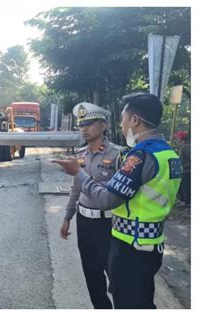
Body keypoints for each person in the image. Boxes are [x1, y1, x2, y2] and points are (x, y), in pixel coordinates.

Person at [52, 92, 182, 309]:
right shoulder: (168, 154)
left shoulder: (137, 156)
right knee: (137, 300)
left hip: (131, 245)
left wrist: (78, 172)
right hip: (148, 240)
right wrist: (68, 215)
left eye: (123, 118)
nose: (121, 125)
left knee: (129, 302)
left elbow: (107, 199)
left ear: (135, 120)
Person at [61, 102, 125, 309]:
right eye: (81, 125)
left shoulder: (118, 155)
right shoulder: (80, 155)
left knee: (116, 276)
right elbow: (76, 189)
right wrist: (67, 218)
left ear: (104, 125)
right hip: (84, 221)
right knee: (91, 273)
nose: (84, 128)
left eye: (89, 123)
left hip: (109, 224)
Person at [175, 131, 190, 205]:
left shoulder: (186, 147)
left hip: (187, 171)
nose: (177, 140)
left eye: (177, 138)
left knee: (186, 186)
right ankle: (183, 200)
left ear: (180, 138)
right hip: (184, 170)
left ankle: (186, 202)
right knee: (183, 186)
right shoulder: (183, 147)